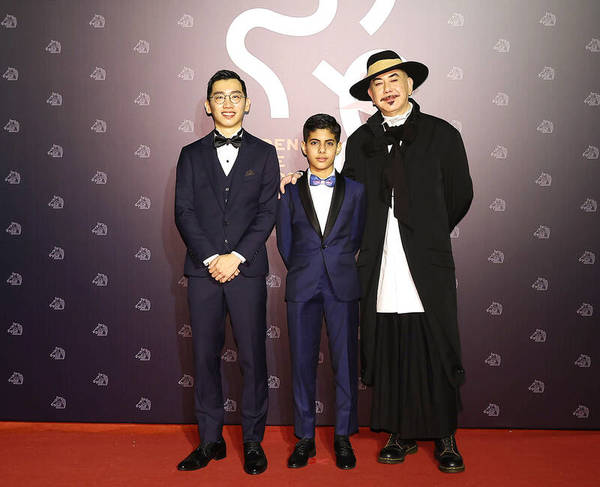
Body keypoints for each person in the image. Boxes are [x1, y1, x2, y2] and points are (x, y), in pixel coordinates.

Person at [281, 50, 473, 473]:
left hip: (425, 261)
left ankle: (444, 436)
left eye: (394, 80)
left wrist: (426, 233)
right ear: (369, 94)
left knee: (434, 343)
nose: (386, 90)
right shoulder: (362, 141)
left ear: (410, 85)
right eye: (377, 84)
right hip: (377, 262)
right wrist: (297, 178)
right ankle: (399, 432)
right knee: (390, 343)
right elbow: (344, 192)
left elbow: (460, 194)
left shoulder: (441, 135)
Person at [175, 69, 279, 475]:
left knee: (253, 358)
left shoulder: (266, 153)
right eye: (219, 97)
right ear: (208, 105)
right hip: (203, 274)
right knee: (204, 358)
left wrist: (236, 256)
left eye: (236, 96)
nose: (228, 103)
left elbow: (268, 211)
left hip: (247, 271)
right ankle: (209, 440)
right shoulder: (189, 154)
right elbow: (183, 212)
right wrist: (211, 259)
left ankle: (253, 441)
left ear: (247, 103)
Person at [276, 114, 365, 470]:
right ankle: (305, 438)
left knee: (345, 363)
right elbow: (285, 242)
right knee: (301, 363)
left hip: (342, 285)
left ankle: (342, 436)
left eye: (329, 143)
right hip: (303, 285)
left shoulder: (357, 191)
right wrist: (304, 268)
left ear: (338, 146)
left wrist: (337, 264)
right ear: (303, 146)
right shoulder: (289, 190)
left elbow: (357, 237)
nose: (322, 150)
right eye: (315, 142)